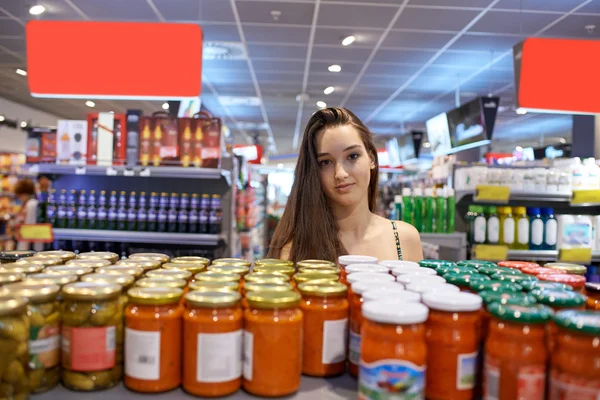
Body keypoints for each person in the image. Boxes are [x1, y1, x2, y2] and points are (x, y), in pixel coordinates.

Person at [268, 107, 422, 262]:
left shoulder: (404, 239)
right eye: (325, 162)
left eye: (352, 156)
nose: (340, 173)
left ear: (371, 159)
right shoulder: (295, 248)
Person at [13, 178, 43, 251]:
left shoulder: (31, 204)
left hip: (29, 246)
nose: (20, 198)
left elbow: (30, 225)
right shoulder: (27, 204)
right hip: (25, 244)